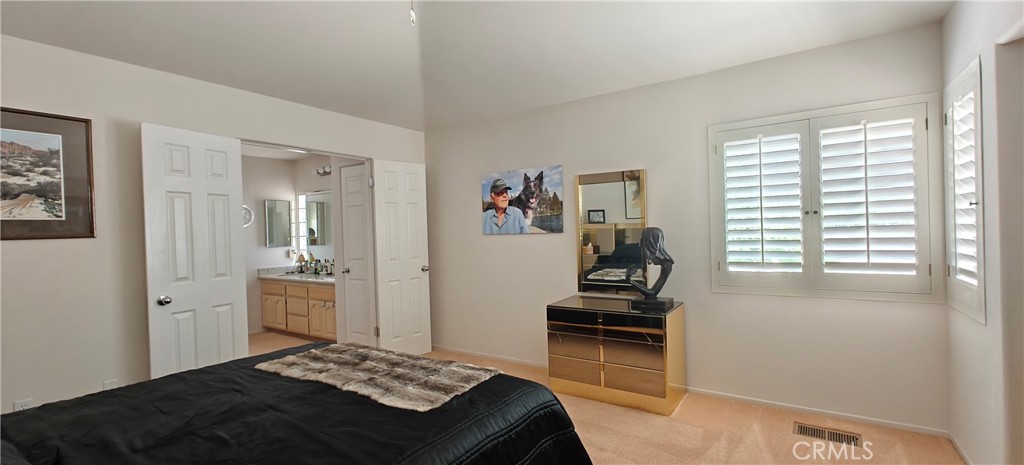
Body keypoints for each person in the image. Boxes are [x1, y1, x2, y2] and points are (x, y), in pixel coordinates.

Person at [627, 227, 674, 299]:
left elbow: (652, 293)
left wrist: (631, 281)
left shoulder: (667, 265)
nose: (640, 244)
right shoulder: (664, 262)